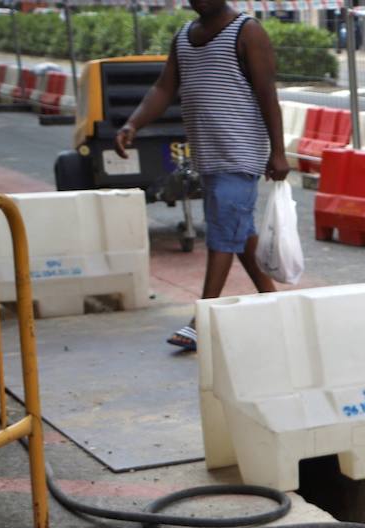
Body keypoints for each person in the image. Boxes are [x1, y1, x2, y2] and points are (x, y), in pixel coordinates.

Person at [116, 0, 288, 352]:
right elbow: (163, 88)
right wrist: (134, 122)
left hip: (241, 153)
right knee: (237, 231)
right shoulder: (183, 37)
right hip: (209, 156)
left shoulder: (247, 31)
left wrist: (279, 150)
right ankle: (276, 304)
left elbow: (267, 92)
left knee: (223, 231)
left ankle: (203, 319)